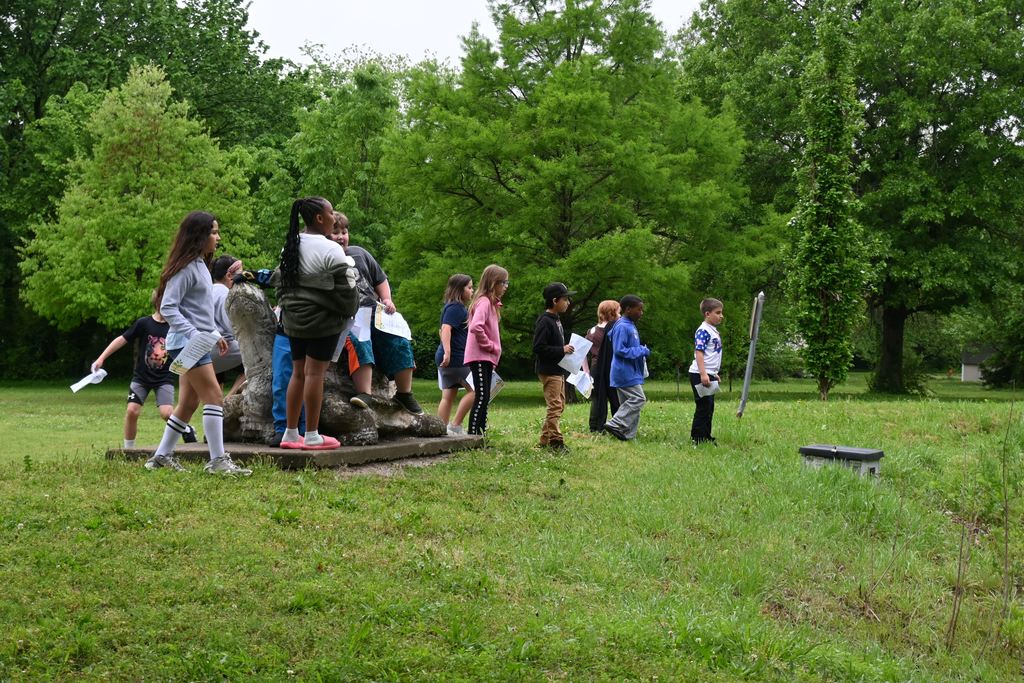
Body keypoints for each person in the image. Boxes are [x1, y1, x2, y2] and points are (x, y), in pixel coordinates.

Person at [146, 211, 251, 475]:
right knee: (214, 397)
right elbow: (168, 307)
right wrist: (195, 334)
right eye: (213, 232)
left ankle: (160, 457)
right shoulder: (185, 269)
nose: (218, 237)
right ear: (199, 236)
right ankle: (217, 461)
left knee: (189, 403)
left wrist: (214, 334)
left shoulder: (199, 266)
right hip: (186, 344)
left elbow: (199, 310)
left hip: (195, 343)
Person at [275, 197, 359, 451]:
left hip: (293, 321)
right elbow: (348, 291)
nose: (334, 218)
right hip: (322, 323)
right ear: (320, 218)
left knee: (298, 373)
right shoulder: (330, 249)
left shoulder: (289, 246)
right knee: (315, 374)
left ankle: (290, 433)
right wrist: (345, 311)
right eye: (331, 213)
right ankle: (312, 435)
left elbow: (283, 285)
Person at [330, 212, 423, 415]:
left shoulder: (359, 253)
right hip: (349, 317)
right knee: (360, 341)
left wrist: (387, 298)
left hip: (375, 312)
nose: (341, 236)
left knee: (399, 339)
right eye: (335, 232)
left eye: (344, 232)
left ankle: (404, 393)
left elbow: (380, 279)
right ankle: (365, 392)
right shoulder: (323, 259)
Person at [92, 290, 185, 449]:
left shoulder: (175, 327)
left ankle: (187, 430)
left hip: (164, 378)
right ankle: (129, 450)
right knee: (132, 411)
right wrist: (102, 358)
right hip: (141, 378)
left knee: (167, 414)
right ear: (157, 303)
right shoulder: (144, 323)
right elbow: (122, 339)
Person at [464, 264, 509, 435]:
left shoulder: (492, 304)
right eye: (503, 283)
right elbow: (476, 326)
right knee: (481, 396)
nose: (505, 287)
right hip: (480, 356)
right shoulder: (483, 302)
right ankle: (473, 433)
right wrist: (489, 346)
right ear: (493, 283)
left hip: (487, 357)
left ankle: (481, 433)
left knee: (485, 396)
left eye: (507, 283)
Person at [533, 282, 576, 451]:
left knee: (560, 405)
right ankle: (556, 442)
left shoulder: (556, 319)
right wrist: (561, 349)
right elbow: (538, 347)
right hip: (549, 370)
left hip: (558, 369)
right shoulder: (545, 321)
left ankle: (544, 440)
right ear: (555, 300)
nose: (568, 303)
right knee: (555, 406)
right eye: (565, 299)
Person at [603, 295, 650, 441]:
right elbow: (619, 350)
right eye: (639, 309)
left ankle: (628, 435)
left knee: (629, 404)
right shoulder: (623, 326)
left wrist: (639, 349)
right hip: (624, 372)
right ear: (628, 309)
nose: (641, 312)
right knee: (638, 399)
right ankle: (615, 423)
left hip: (631, 371)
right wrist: (642, 350)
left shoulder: (630, 325)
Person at [435, 273, 475, 435]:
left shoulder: (450, 306)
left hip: (449, 357)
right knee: (478, 391)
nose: (472, 291)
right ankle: (455, 425)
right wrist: (448, 353)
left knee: (448, 395)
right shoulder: (456, 308)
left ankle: (440, 430)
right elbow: (445, 329)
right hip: (456, 358)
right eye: (470, 287)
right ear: (460, 289)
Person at [689, 297, 724, 444]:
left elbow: (712, 355)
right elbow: (699, 352)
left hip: (709, 373)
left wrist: (714, 373)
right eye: (718, 312)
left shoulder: (713, 331)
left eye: (722, 313)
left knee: (709, 407)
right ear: (707, 314)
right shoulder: (703, 330)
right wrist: (703, 373)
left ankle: (706, 436)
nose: (721, 316)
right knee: (703, 407)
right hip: (699, 374)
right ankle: (697, 438)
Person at [210, 254, 245, 397]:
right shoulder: (226, 294)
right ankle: (229, 399)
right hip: (217, 348)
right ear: (229, 276)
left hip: (196, 348)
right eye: (241, 275)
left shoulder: (208, 290)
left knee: (190, 402)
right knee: (262, 357)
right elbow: (233, 328)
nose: (243, 279)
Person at [585, 299, 621, 433]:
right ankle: (618, 425)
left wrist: (587, 370)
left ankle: (596, 426)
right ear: (612, 312)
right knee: (615, 397)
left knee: (597, 398)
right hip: (611, 367)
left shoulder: (593, 330)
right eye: (618, 311)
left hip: (595, 368)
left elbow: (583, 352)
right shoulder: (615, 328)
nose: (620, 314)